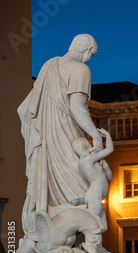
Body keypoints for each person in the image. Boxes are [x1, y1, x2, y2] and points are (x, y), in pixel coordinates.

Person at [17, 34, 101, 240]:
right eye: (92, 54)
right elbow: (77, 107)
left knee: (55, 193)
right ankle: (88, 241)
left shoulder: (49, 65)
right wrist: (95, 135)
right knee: (82, 189)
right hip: (68, 138)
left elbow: (25, 109)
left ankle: (54, 238)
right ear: (87, 49)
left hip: (46, 141)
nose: (90, 58)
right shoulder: (81, 69)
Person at [72, 128, 113, 232]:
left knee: (103, 227)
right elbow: (109, 149)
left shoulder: (90, 160)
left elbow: (110, 177)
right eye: (89, 144)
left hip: (96, 195)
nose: (92, 146)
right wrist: (107, 135)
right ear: (86, 146)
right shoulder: (87, 159)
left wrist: (106, 167)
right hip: (94, 195)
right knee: (92, 228)